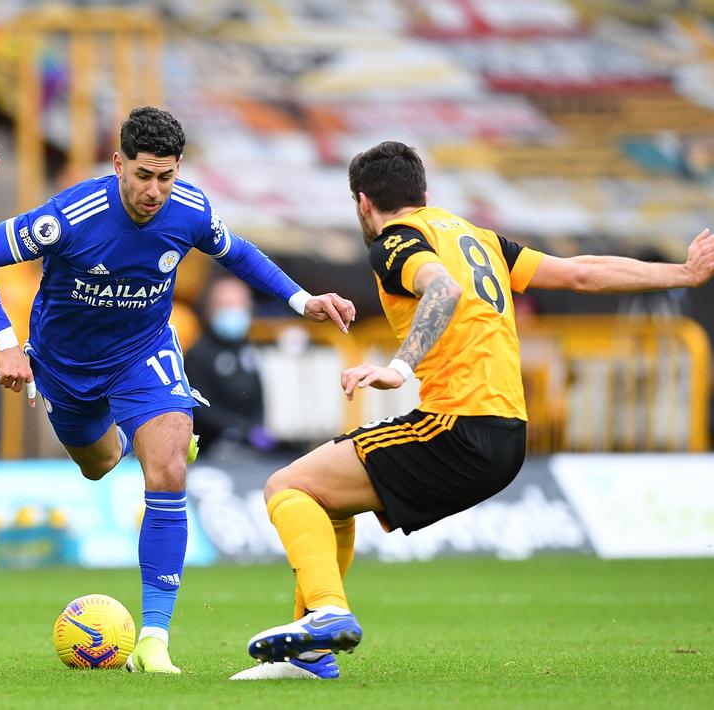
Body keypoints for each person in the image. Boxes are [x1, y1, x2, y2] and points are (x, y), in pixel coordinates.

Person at [232, 141, 714, 681]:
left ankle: (326, 614)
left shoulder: (395, 242)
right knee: (325, 499)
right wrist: (683, 273)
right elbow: (580, 273)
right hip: (507, 433)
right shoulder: (479, 238)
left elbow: (442, 289)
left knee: (286, 488)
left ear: (363, 203)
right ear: (425, 194)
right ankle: (311, 655)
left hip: (456, 425)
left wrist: (401, 366)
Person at [0, 106, 355, 673]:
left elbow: (235, 251)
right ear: (118, 163)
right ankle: (132, 434)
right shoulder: (71, 215)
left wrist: (300, 301)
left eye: (166, 176)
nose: (154, 190)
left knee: (168, 470)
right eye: (143, 175)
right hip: (65, 367)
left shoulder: (188, 209)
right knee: (100, 462)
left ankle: (154, 640)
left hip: (145, 353)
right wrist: (6, 343)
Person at [183, 275, 274, 453]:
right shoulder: (198, 354)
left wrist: (255, 429)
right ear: (209, 308)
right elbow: (200, 408)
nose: (234, 312)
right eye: (226, 305)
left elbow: (259, 398)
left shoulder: (248, 350)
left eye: (239, 305)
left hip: (248, 450)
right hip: (208, 450)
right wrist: (239, 429)